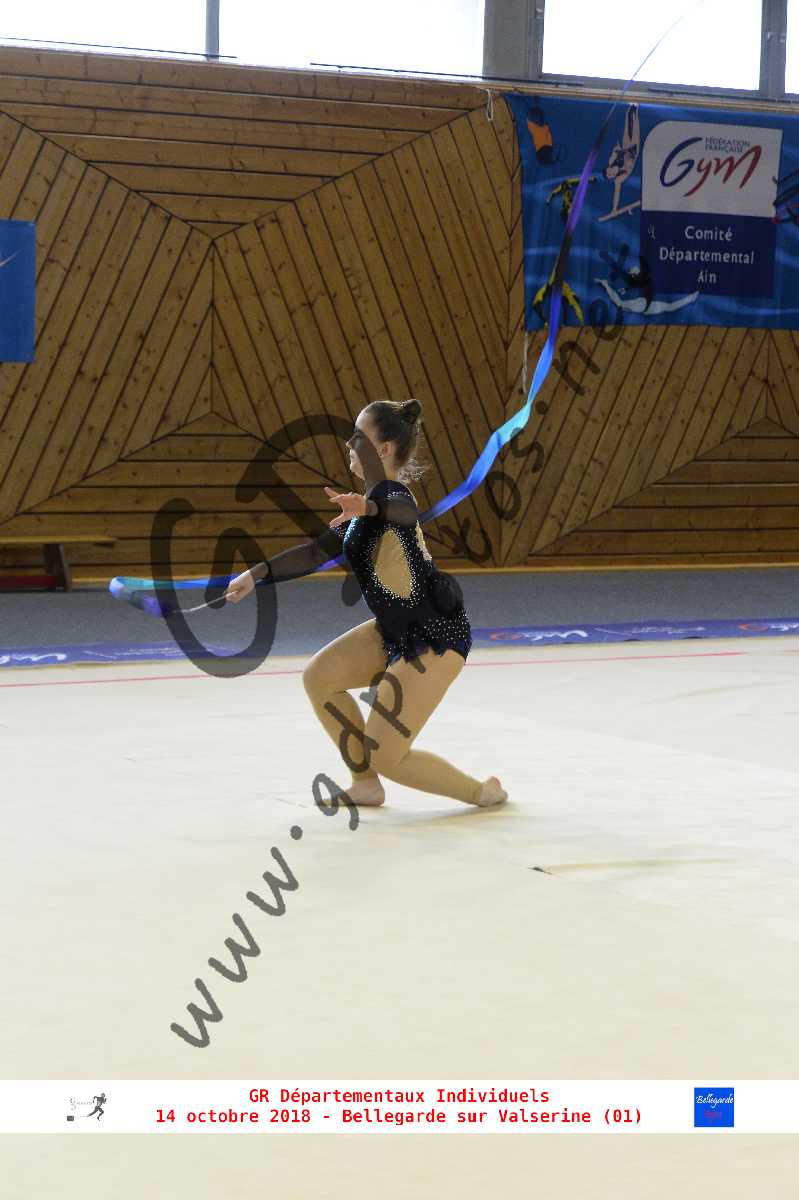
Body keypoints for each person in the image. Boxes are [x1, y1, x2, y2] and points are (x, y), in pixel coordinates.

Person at [225, 399, 508, 809]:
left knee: (386, 754)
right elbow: (314, 552)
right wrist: (254, 575)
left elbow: (403, 513)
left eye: (358, 437)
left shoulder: (392, 497)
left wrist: (369, 506)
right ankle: (365, 785)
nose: (349, 443)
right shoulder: (361, 511)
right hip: (393, 629)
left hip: (434, 636)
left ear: (384, 449)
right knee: (320, 677)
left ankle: (481, 792)